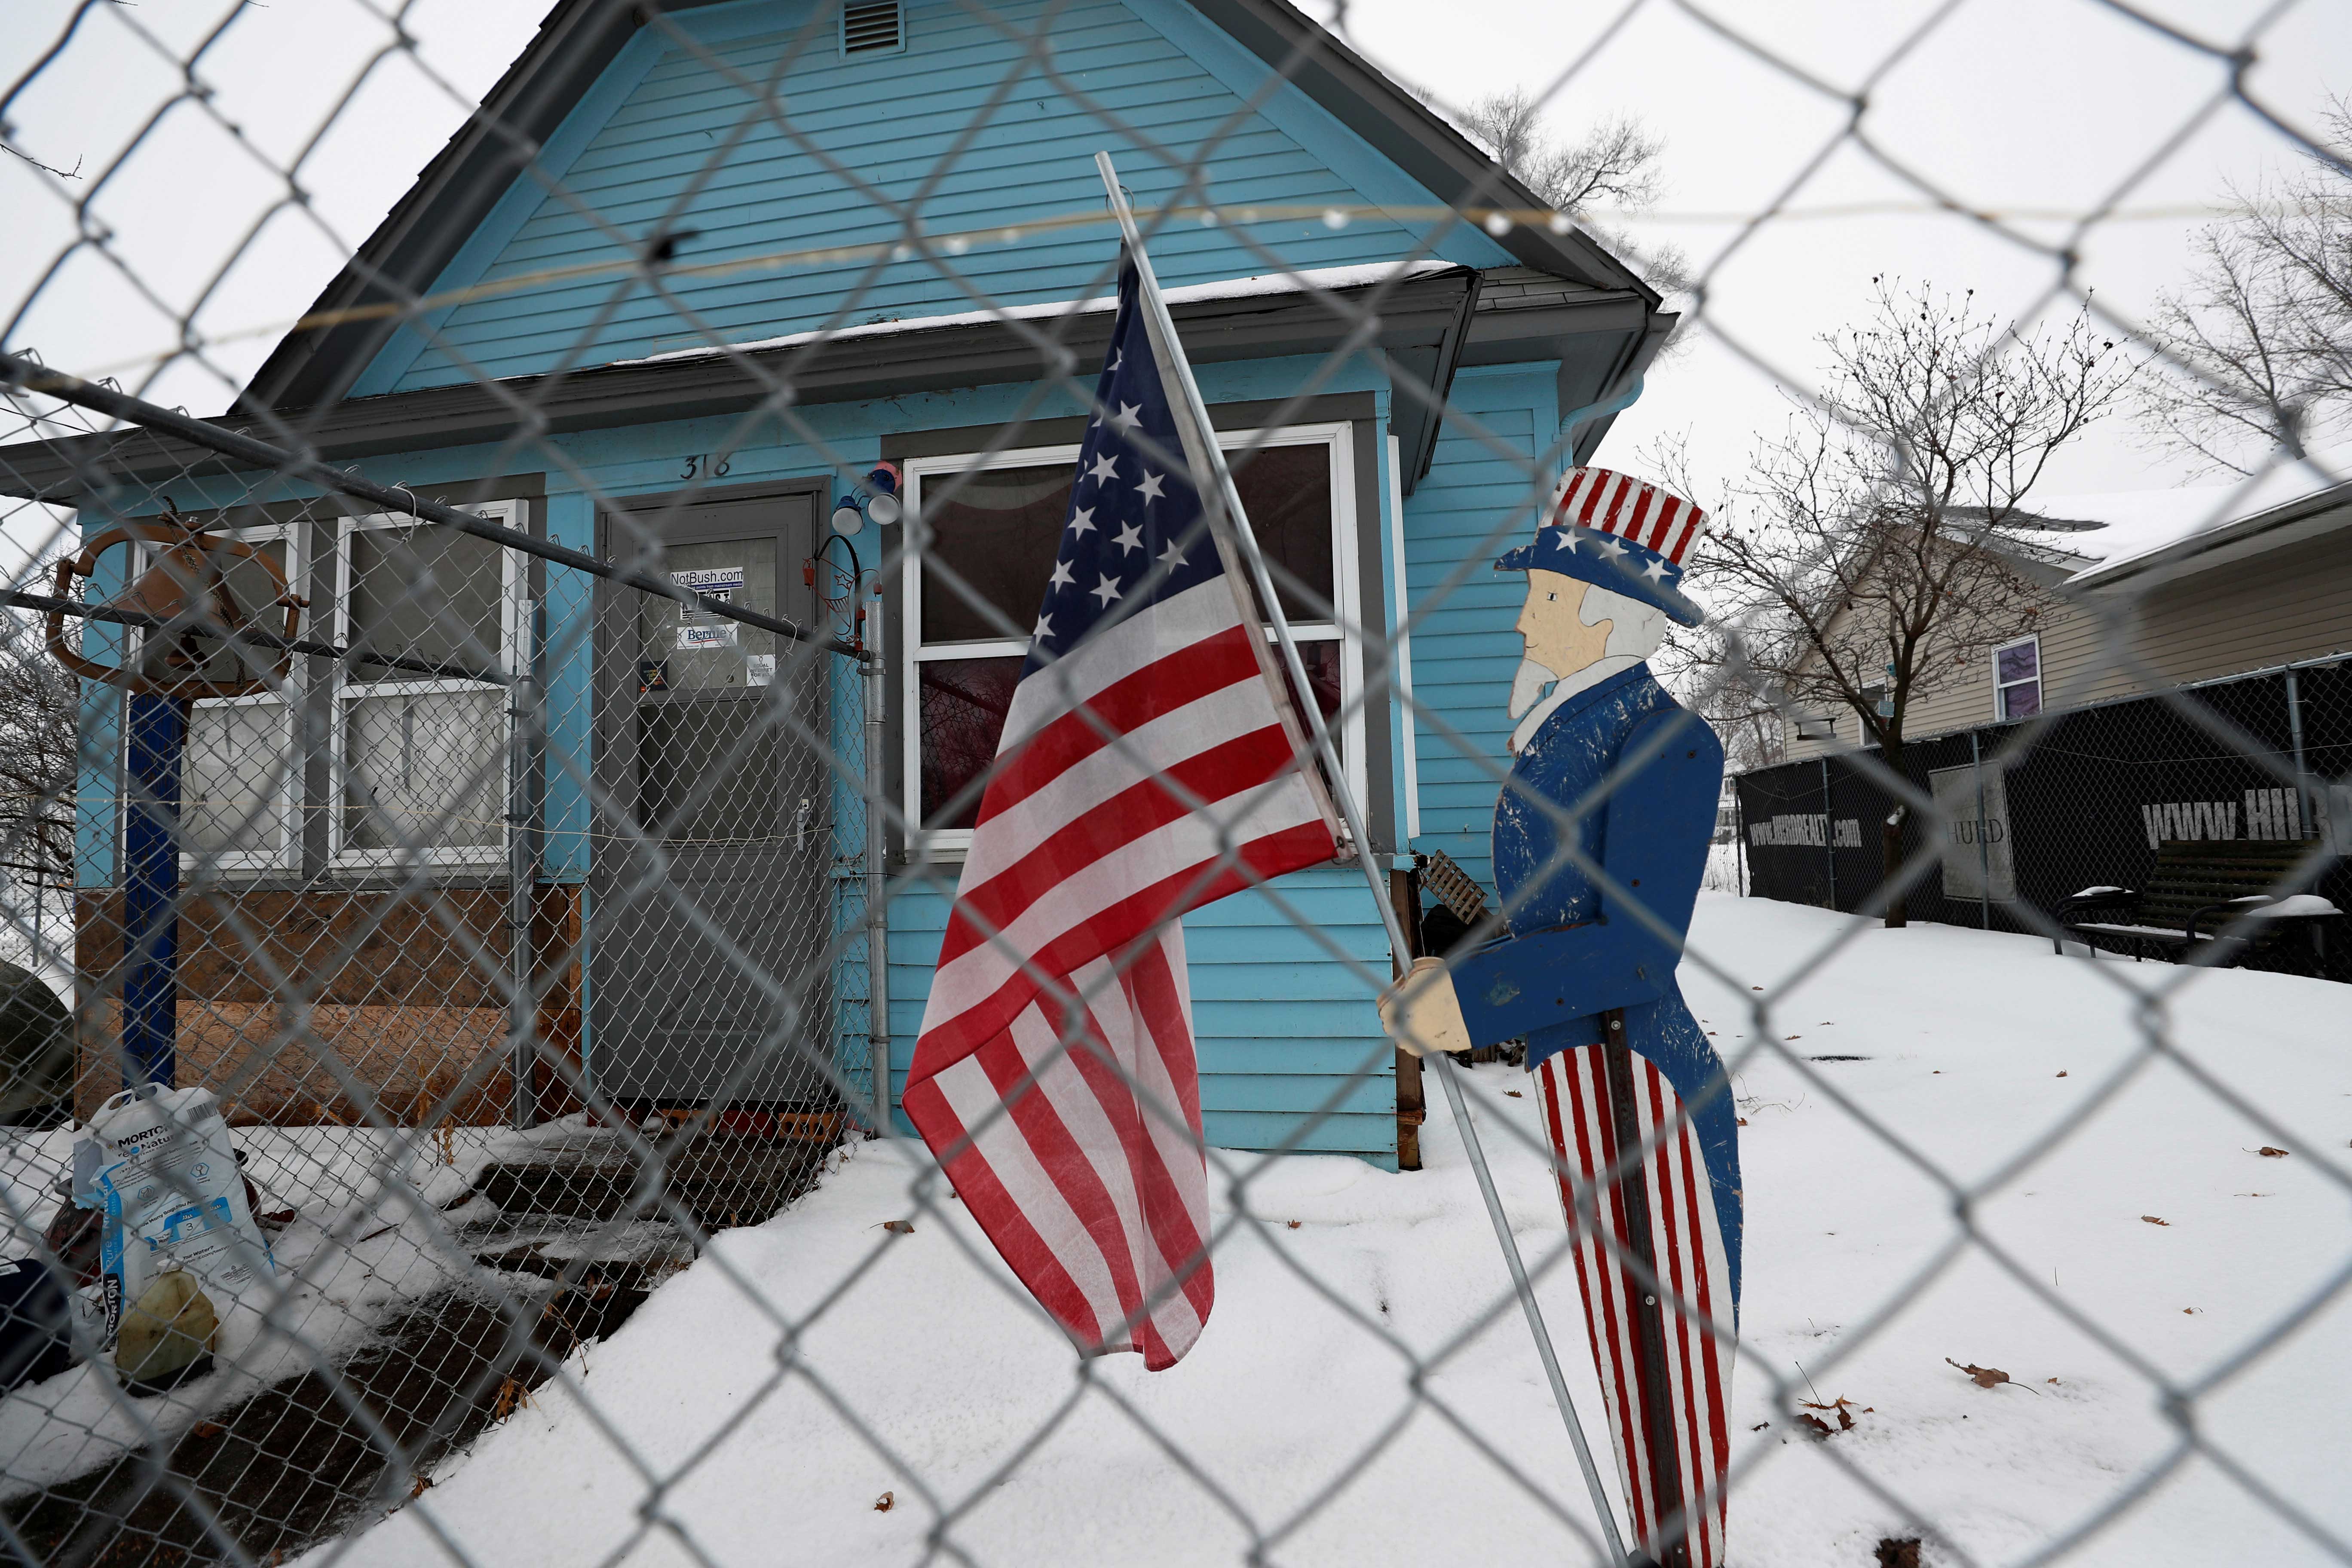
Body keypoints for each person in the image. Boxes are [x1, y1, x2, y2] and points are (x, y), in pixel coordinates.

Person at [1381, 468, 1737, 1568]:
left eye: (1544, 595)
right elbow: (1547, 922)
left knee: (1666, 1364)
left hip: (1646, 1087)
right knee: (1619, 1348)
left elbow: (1637, 949)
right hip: (1581, 1076)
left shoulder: (1665, 743)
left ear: (1610, 614)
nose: (1526, 615)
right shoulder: (1558, 742)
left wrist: (1472, 997)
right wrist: (1459, 975)